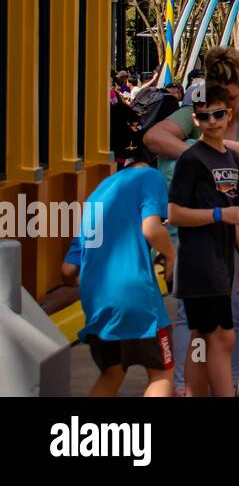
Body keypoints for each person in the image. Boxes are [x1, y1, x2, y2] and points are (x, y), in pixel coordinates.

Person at [144, 46, 239, 393]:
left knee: (232, 318)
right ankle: (190, 387)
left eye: (231, 101)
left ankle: (226, 386)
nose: (224, 112)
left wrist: (223, 152)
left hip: (235, 236)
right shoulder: (195, 127)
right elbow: (154, 139)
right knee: (195, 320)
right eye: (216, 105)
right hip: (197, 242)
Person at [61, 157, 176, 397]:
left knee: (111, 373)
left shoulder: (96, 196)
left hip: (97, 303)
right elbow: (152, 229)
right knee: (161, 372)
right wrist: (171, 255)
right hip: (137, 297)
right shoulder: (149, 176)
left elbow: (68, 270)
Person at [166, 85, 239, 396]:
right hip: (197, 261)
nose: (212, 121)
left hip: (223, 261)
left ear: (228, 115)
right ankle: (199, 391)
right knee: (210, 337)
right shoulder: (191, 159)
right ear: (195, 119)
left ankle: (196, 391)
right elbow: (174, 214)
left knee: (216, 338)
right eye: (204, 116)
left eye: (218, 114)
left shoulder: (232, 158)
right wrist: (219, 216)